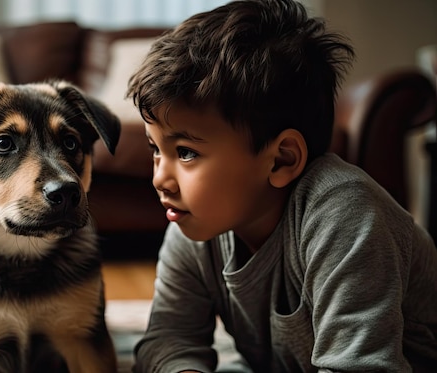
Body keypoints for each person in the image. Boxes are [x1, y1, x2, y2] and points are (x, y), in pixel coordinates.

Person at [126, 0, 437, 372]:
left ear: (281, 160)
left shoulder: (345, 216)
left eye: (187, 152)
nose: (159, 177)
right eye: (154, 149)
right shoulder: (194, 225)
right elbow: (169, 338)